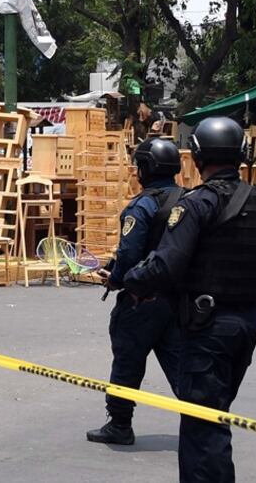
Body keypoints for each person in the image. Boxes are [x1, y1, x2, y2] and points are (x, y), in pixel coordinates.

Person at [124, 116, 256, 482]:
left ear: (196, 157)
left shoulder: (197, 204)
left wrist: (130, 281)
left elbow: (167, 264)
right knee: (215, 415)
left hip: (207, 326)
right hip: (249, 322)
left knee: (203, 427)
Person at [87, 138, 184, 446]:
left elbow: (130, 254)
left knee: (127, 361)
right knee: (183, 367)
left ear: (145, 169)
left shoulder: (142, 205)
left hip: (141, 300)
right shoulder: (190, 201)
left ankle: (119, 424)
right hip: (179, 300)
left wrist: (115, 278)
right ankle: (204, 423)